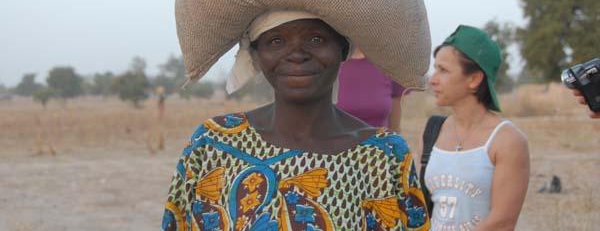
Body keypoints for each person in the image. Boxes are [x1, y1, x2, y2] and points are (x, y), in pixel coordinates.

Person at [162, 12, 430, 230]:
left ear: (342, 50)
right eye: (276, 41)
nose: (297, 54)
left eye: (316, 39)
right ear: (257, 56)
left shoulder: (384, 155)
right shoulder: (214, 143)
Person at [422, 25, 530, 231]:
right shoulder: (432, 131)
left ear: (474, 79)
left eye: (443, 70)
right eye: (435, 68)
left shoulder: (507, 140)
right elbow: (423, 206)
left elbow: (503, 222)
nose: (433, 80)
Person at [337, 47, 409, 131]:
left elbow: (394, 128)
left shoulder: (390, 65)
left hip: (380, 142)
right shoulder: (330, 62)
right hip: (335, 143)